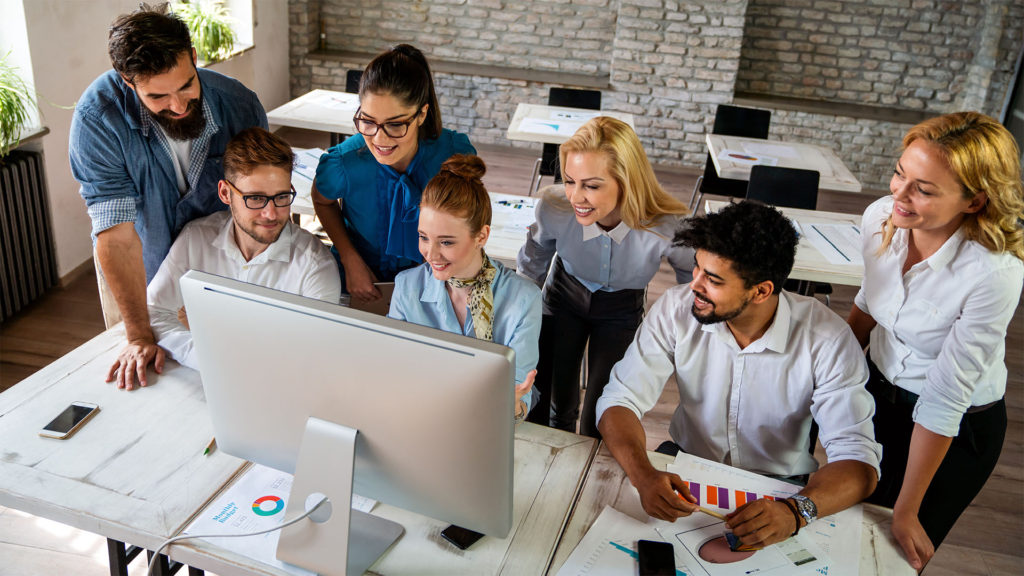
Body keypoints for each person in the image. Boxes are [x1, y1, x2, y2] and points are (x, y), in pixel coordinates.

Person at [597, 201, 881, 550]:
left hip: (779, 485)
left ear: (761, 291)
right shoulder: (674, 309)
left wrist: (796, 512)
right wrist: (642, 474)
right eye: (697, 268)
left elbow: (859, 462)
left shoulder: (828, 339)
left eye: (713, 279)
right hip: (686, 462)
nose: (694, 286)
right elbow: (619, 400)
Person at [846, 112, 1024, 571]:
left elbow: (945, 397)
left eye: (923, 189)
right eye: (901, 173)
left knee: (884, 558)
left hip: (955, 428)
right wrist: (833, 374)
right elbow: (871, 299)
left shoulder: (992, 271)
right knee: (841, 537)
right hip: (877, 395)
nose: (897, 195)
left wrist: (906, 510)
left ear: (974, 201)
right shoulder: (880, 218)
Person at [69, 5, 268, 390]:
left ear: (193, 58)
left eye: (186, 86)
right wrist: (140, 335)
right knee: (153, 393)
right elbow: (116, 236)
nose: (178, 106)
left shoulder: (239, 104)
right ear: (128, 81)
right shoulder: (97, 119)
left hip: (220, 273)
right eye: (158, 96)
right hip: (139, 277)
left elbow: (259, 202)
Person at [516, 116, 691, 437]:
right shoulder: (554, 207)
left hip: (621, 310)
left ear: (627, 181)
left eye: (592, 186)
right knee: (555, 396)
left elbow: (691, 278)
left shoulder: (667, 225)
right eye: (570, 181)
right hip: (563, 296)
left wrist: (687, 334)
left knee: (603, 408)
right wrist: (520, 318)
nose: (575, 197)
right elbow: (534, 259)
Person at [146, 128, 341, 370]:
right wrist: (202, 356)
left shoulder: (315, 266)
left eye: (281, 197)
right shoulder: (195, 240)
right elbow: (155, 312)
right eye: (256, 198)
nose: (271, 213)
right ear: (225, 193)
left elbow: (317, 351)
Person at [313, 44, 476, 304]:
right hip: (363, 283)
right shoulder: (345, 162)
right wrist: (350, 258)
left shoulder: (454, 154)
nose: (379, 139)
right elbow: (322, 200)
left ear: (422, 113)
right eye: (368, 121)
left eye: (395, 124)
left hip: (436, 285)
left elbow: (469, 220)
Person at [388, 155, 541, 421]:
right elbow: (394, 370)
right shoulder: (406, 287)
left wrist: (512, 406)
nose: (431, 254)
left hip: (492, 423)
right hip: (422, 416)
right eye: (423, 237)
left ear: (481, 236)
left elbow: (520, 392)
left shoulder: (524, 299)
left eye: (446, 242)